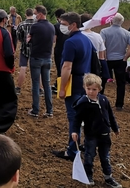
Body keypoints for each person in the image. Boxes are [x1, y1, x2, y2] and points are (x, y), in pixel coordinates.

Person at [52, 12, 92, 161]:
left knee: (74, 118)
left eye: (63, 23)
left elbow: (67, 67)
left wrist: (62, 88)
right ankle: (83, 145)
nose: (61, 26)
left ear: (73, 24)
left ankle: (72, 150)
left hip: (74, 84)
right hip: (85, 82)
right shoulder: (86, 40)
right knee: (82, 117)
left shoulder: (70, 42)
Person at [71, 74, 122, 187]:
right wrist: (74, 131)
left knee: (105, 157)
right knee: (89, 156)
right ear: (84, 88)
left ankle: (108, 177)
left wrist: (115, 127)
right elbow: (77, 119)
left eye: (94, 89)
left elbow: (110, 115)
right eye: (88, 89)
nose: (91, 92)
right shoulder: (83, 102)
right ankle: (88, 175)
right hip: (91, 135)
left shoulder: (104, 100)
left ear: (99, 89)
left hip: (105, 134)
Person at [100, 13, 130, 110]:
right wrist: (125, 57)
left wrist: (104, 57)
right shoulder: (127, 33)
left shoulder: (104, 31)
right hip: (121, 60)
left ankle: (99, 101)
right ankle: (119, 105)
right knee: (120, 83)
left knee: (102, 81)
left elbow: (102, 45)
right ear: (122, 22)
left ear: (111, 21)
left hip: (107, 60)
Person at [27, 5, 55, 117]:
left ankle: (35, 110)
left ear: (40, 14)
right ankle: (49, 110)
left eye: (35, 13)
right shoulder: (52, 27)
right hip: (47, 58)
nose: (34, 15)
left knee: (36, 84)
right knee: (47, 84)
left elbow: (28, 39)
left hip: (36, 58)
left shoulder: (35, 27)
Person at [15, 8, 35, 95]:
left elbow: (18, 38)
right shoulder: (37, 24)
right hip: (35, 49)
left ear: (25, 14)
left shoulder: (21, 24)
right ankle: (40, 88)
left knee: (23, 68)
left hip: (24, 48)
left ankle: (19, 88)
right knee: (36, 69)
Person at [53, 8, 68, 91]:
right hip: (68, 49)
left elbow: (54, 40)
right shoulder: (70, 25)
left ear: (57, 17)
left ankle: (59, 86)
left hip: (59, 50)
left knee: (60, 69)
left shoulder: (56, 26)